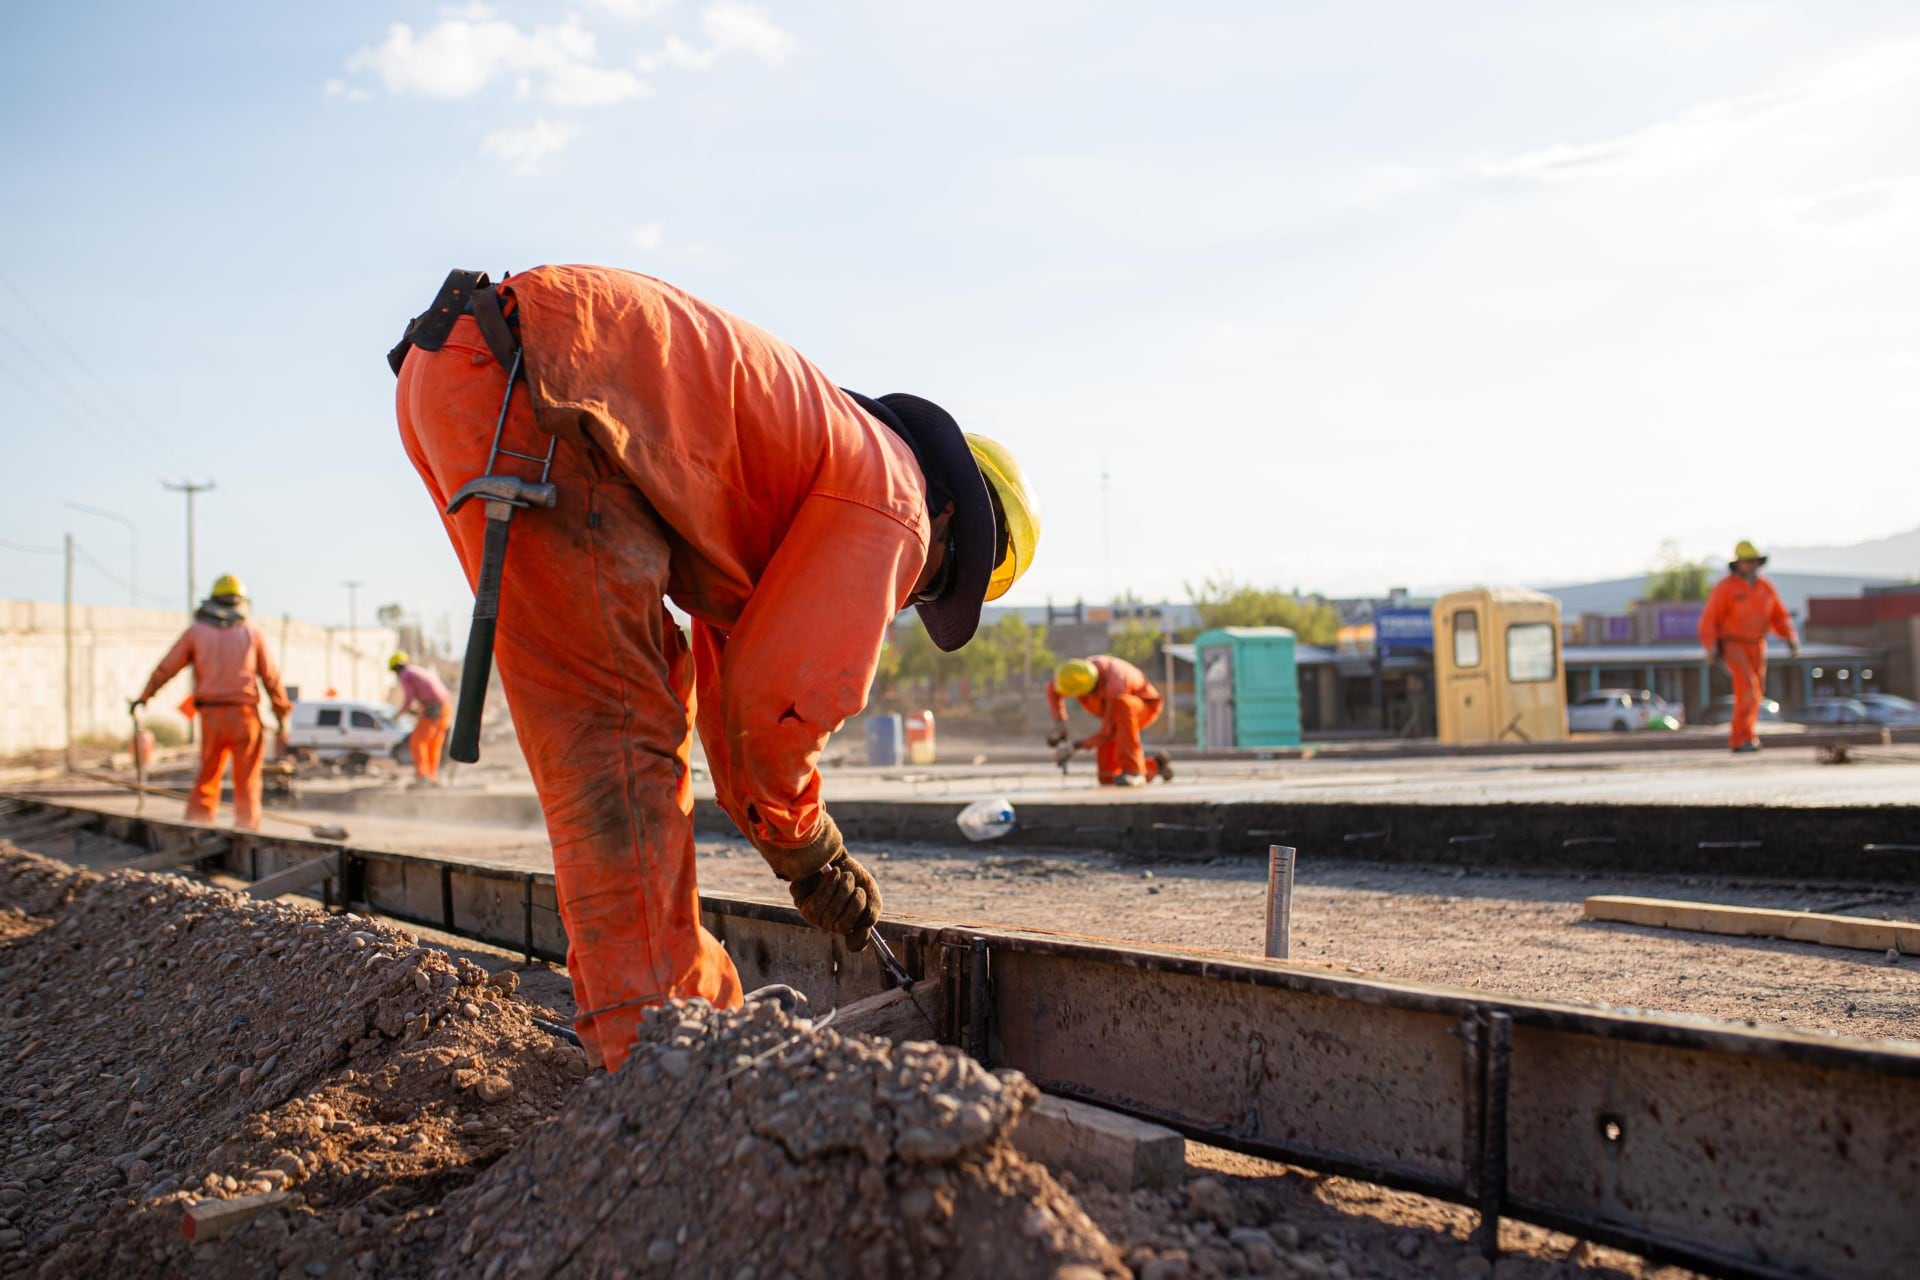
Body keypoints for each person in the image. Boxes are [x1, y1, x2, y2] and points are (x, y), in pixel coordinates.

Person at [390, 264, 1041, 1071]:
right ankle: (666, 1056)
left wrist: (805, 856)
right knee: (618, 738)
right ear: (950, 516)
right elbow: (776, 712)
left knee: (634, 712)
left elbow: (738, 715)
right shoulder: (893, 497)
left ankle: (653, 1029)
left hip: (467, 374)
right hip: (537, 384)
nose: (908, 596)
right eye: (937, 580)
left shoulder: (807, 469)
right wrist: (812, 846)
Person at [133, 574, 292, 829]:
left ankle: (199, 825)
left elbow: (167, 668)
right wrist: (282, 714)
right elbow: (271, 677)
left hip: (212, 716)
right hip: (244, 715)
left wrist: (144, 697)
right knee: (247, 777)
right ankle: (247, 827)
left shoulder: (196, 632)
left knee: (208, 772)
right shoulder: (251, 634)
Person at [1699, 540, 1799, 753]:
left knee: (1757, 692)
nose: (1751, 565)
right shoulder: (1726, 587)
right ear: (1738, 563)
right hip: (1733, 643)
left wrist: (1789, 637)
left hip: (1757, 644)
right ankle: (1739, 738)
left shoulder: (1765, 588)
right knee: (1747, 688)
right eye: (1747, 561)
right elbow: (1710, 619)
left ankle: (1748, 735)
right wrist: (1710, 646)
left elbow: (1779, 616)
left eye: (1754, 561)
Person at [1046, 655, 1173, 786]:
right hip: (1115, 713)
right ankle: (1157, 765)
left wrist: (1075, 746)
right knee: (1108, 777)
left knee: (1122, 706)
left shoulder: (1114, 684)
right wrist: (1059, 723)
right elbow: (1052, 690)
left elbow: (1108, 732)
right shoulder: (1074, 673)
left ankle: (1133, 772)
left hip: (1143, 707)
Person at [389, 652, 453, 784]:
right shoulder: (418, 671)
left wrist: (399, 713)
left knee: (417, 742)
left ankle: (422, 777)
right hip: (445, 707)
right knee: (434, 744)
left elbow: (409, 697)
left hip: (433, 708)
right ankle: (432, 776)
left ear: (396, 669)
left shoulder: (406, 675)